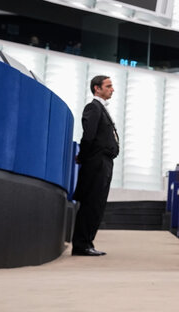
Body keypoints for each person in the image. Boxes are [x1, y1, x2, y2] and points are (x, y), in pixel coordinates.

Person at [72, 75, 119, 256]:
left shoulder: (101, 108)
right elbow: (89, 136)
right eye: (108, 86)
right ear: (97, 88)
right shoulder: (93, 107)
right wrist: (84, 157)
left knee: (98, 204)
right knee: (91, 203)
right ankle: (81, 245)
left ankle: (87, 243)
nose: (112, 89)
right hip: (97, 161)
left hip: (104, 162)